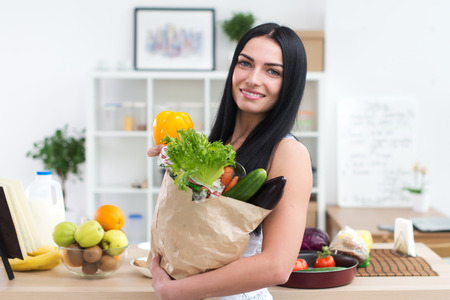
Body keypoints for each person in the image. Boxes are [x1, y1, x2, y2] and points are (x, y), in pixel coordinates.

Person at [147, 22, 312, 300]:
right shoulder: (215, 147)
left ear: (289, 84)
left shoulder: (289, 152)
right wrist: (175, 163)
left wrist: (173, 291)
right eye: (245, 64)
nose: (252, 79)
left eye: (272, 71)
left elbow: (277, 266)